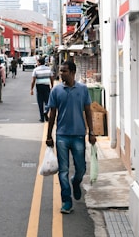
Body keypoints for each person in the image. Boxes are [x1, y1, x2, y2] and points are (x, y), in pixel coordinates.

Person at [45, 61, 97, 214]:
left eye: (64, 71)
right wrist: (49, 136)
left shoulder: (82, 89)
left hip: (79, 135)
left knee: (81, 169)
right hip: (61, 135)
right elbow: (52, 114)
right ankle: (67, 201)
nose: (61, 73)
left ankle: (76, 182)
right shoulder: (56, 90)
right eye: (61, 71)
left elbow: (88, 111)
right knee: (63, 171)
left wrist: (92, 132)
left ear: (73, 72)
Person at [30, 56, 54, 122]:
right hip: (46, 86)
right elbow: (51, 78)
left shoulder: (36, 70)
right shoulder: (48, 69)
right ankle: (46, 111)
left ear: (39, 63)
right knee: (48, 101)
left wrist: (31, 89)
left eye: (37, 62)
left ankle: (42, 118)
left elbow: (33, 80)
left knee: (40, 102)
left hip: (39, 87)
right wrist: (52, 86)